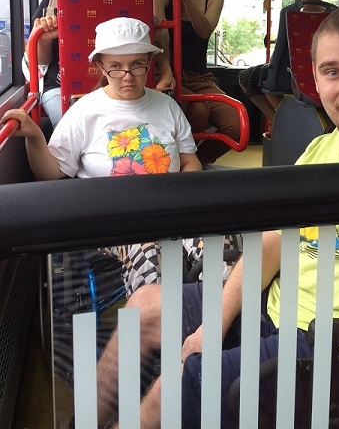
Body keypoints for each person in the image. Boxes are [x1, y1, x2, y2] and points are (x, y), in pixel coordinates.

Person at [95, 3, 339, 429]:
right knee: (144, 307)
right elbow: (272, 243)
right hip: (279, 314)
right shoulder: (321, 149)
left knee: (178, 387)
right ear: (316, 80)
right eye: (333, 72)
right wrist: (215, 322)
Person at [3, 17, 202, 295]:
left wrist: (182, 201)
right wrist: (35, 136)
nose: (128, 76)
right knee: (151, 257)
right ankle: (162, 318)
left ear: (149, 62)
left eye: (137, 64)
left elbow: (190, 161)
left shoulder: (167, 107)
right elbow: (53, 172)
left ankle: (220, 314)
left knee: (221, 245)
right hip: (112, 223)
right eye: (116, 66)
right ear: (101, 66)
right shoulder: (85, 111)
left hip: (169, 213)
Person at [153, 0, 241, 167]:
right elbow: (161, 35)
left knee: (236, 126)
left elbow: (204, 31)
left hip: (199, 77)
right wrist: (166, 71)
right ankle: (181, 162)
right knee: (199, 111)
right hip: (166, 72)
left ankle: (197, 163)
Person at [23, 0, 117, 129]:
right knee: (74, 129)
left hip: (116, 82)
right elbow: (38, 59)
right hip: (61, 86)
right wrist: (45, 37)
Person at [238, 0, 329, 124]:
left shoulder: (291, 14)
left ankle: (276, 120)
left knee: (247, 77)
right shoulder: (334, 16)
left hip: (291, 77)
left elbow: (279, 53)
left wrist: (273, 69)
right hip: (324, 76)